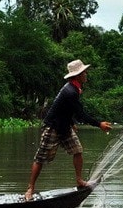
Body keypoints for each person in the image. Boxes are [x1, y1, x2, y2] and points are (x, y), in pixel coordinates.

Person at [25, 59, 112, 200]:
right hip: (53, 127)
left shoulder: (74, 88)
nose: (86, 74)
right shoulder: (70, 91)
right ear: (77, 75)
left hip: (65, 126)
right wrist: (99, 124)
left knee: (78, 151)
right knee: (40, 158)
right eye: (84, 72)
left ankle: (79, 180)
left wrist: (71, 123)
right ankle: (30, 189)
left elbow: (66, 109)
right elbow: (81, 114)